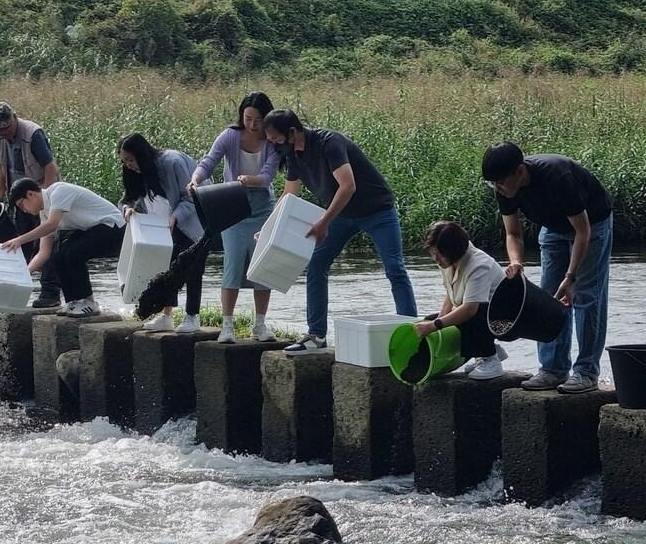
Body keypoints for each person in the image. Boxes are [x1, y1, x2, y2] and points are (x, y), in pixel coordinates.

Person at [263, 108, 417, 352]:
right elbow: (289, 194)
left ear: (292, 131)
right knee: (316, 266)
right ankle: (316, 336)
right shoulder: (293, 155)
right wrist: (268, 229)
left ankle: (413, 332)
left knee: (395, 269)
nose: (273, 144)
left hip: (377, 210)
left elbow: (348, 186)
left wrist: (324, 222)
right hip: (342, 216)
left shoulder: (328, 142)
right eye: (270, 140)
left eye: (276, 138)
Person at [482, 142, 614, 394]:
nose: (497, 188)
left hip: (592, 225)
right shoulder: (504, 188)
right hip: (553, 228)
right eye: (493, 184)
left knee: (586, 296)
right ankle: (553, 369)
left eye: (500, 182)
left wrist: (571, 276)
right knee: (548, 296)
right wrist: (516, 262)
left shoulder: (557, 176)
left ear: (519, 171)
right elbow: (512, 233)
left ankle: (586, 372)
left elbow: (582, 232)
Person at [188, 92, 279, 344]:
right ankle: (227, 325)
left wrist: (252, 180)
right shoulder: (230, 136)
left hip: (261, 206)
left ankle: (260, 324)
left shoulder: (272, 141)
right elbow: (209, 161)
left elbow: (268, 176)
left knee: (261, 265)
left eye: (258, 120)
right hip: (233, 204)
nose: (252, 124)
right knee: (233, 262)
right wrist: (196, 178)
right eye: (248, 118)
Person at [118, 133, 205, 333]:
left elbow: (193, 196)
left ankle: (192, 316)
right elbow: (127, 198)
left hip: (197, 219)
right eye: (124, 161)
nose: (128, 165)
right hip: (166, 223)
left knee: (193, 268)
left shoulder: (172, 162)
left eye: (131, 159)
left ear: (143, 155)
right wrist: (128, 208)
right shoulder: (136, 171)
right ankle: (166, 315)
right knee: (166, 267)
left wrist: (175, 216)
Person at [3, 178, 125, 318]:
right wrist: (23, 274)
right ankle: (73, 302)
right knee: (58, 257)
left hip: (114, 227)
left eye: (22, 205)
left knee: (73, 254)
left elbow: (52, 224)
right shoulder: (45, 214)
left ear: (31, 194)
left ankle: (89, 302)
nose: (24, 210)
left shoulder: (58, 191)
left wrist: (19, 240)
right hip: (93, 229)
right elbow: (44, 253)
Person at [0, 101, 62, 309]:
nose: (4, 133)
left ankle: (50, 293)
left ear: (15, 118)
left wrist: (47, 198)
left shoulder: (32, 133)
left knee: (47, 244)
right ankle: (18, 289)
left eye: (7, 128)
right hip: (19, 199)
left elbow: (50, 167)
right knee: (20, 244)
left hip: (39, 194)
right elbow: (2, 165)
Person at [414, 221, 507, 379]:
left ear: (454, 251)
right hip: (479, 310)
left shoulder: (478, 265)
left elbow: (470, 309)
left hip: (502, 319)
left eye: (439, 254)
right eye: (432, 253)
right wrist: (437, 321)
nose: (435, 259)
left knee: (466, 318)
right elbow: (451, 293)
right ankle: (484, 351)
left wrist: (435, 325)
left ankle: (490, 359)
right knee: (431, 320)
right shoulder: (448, 260)